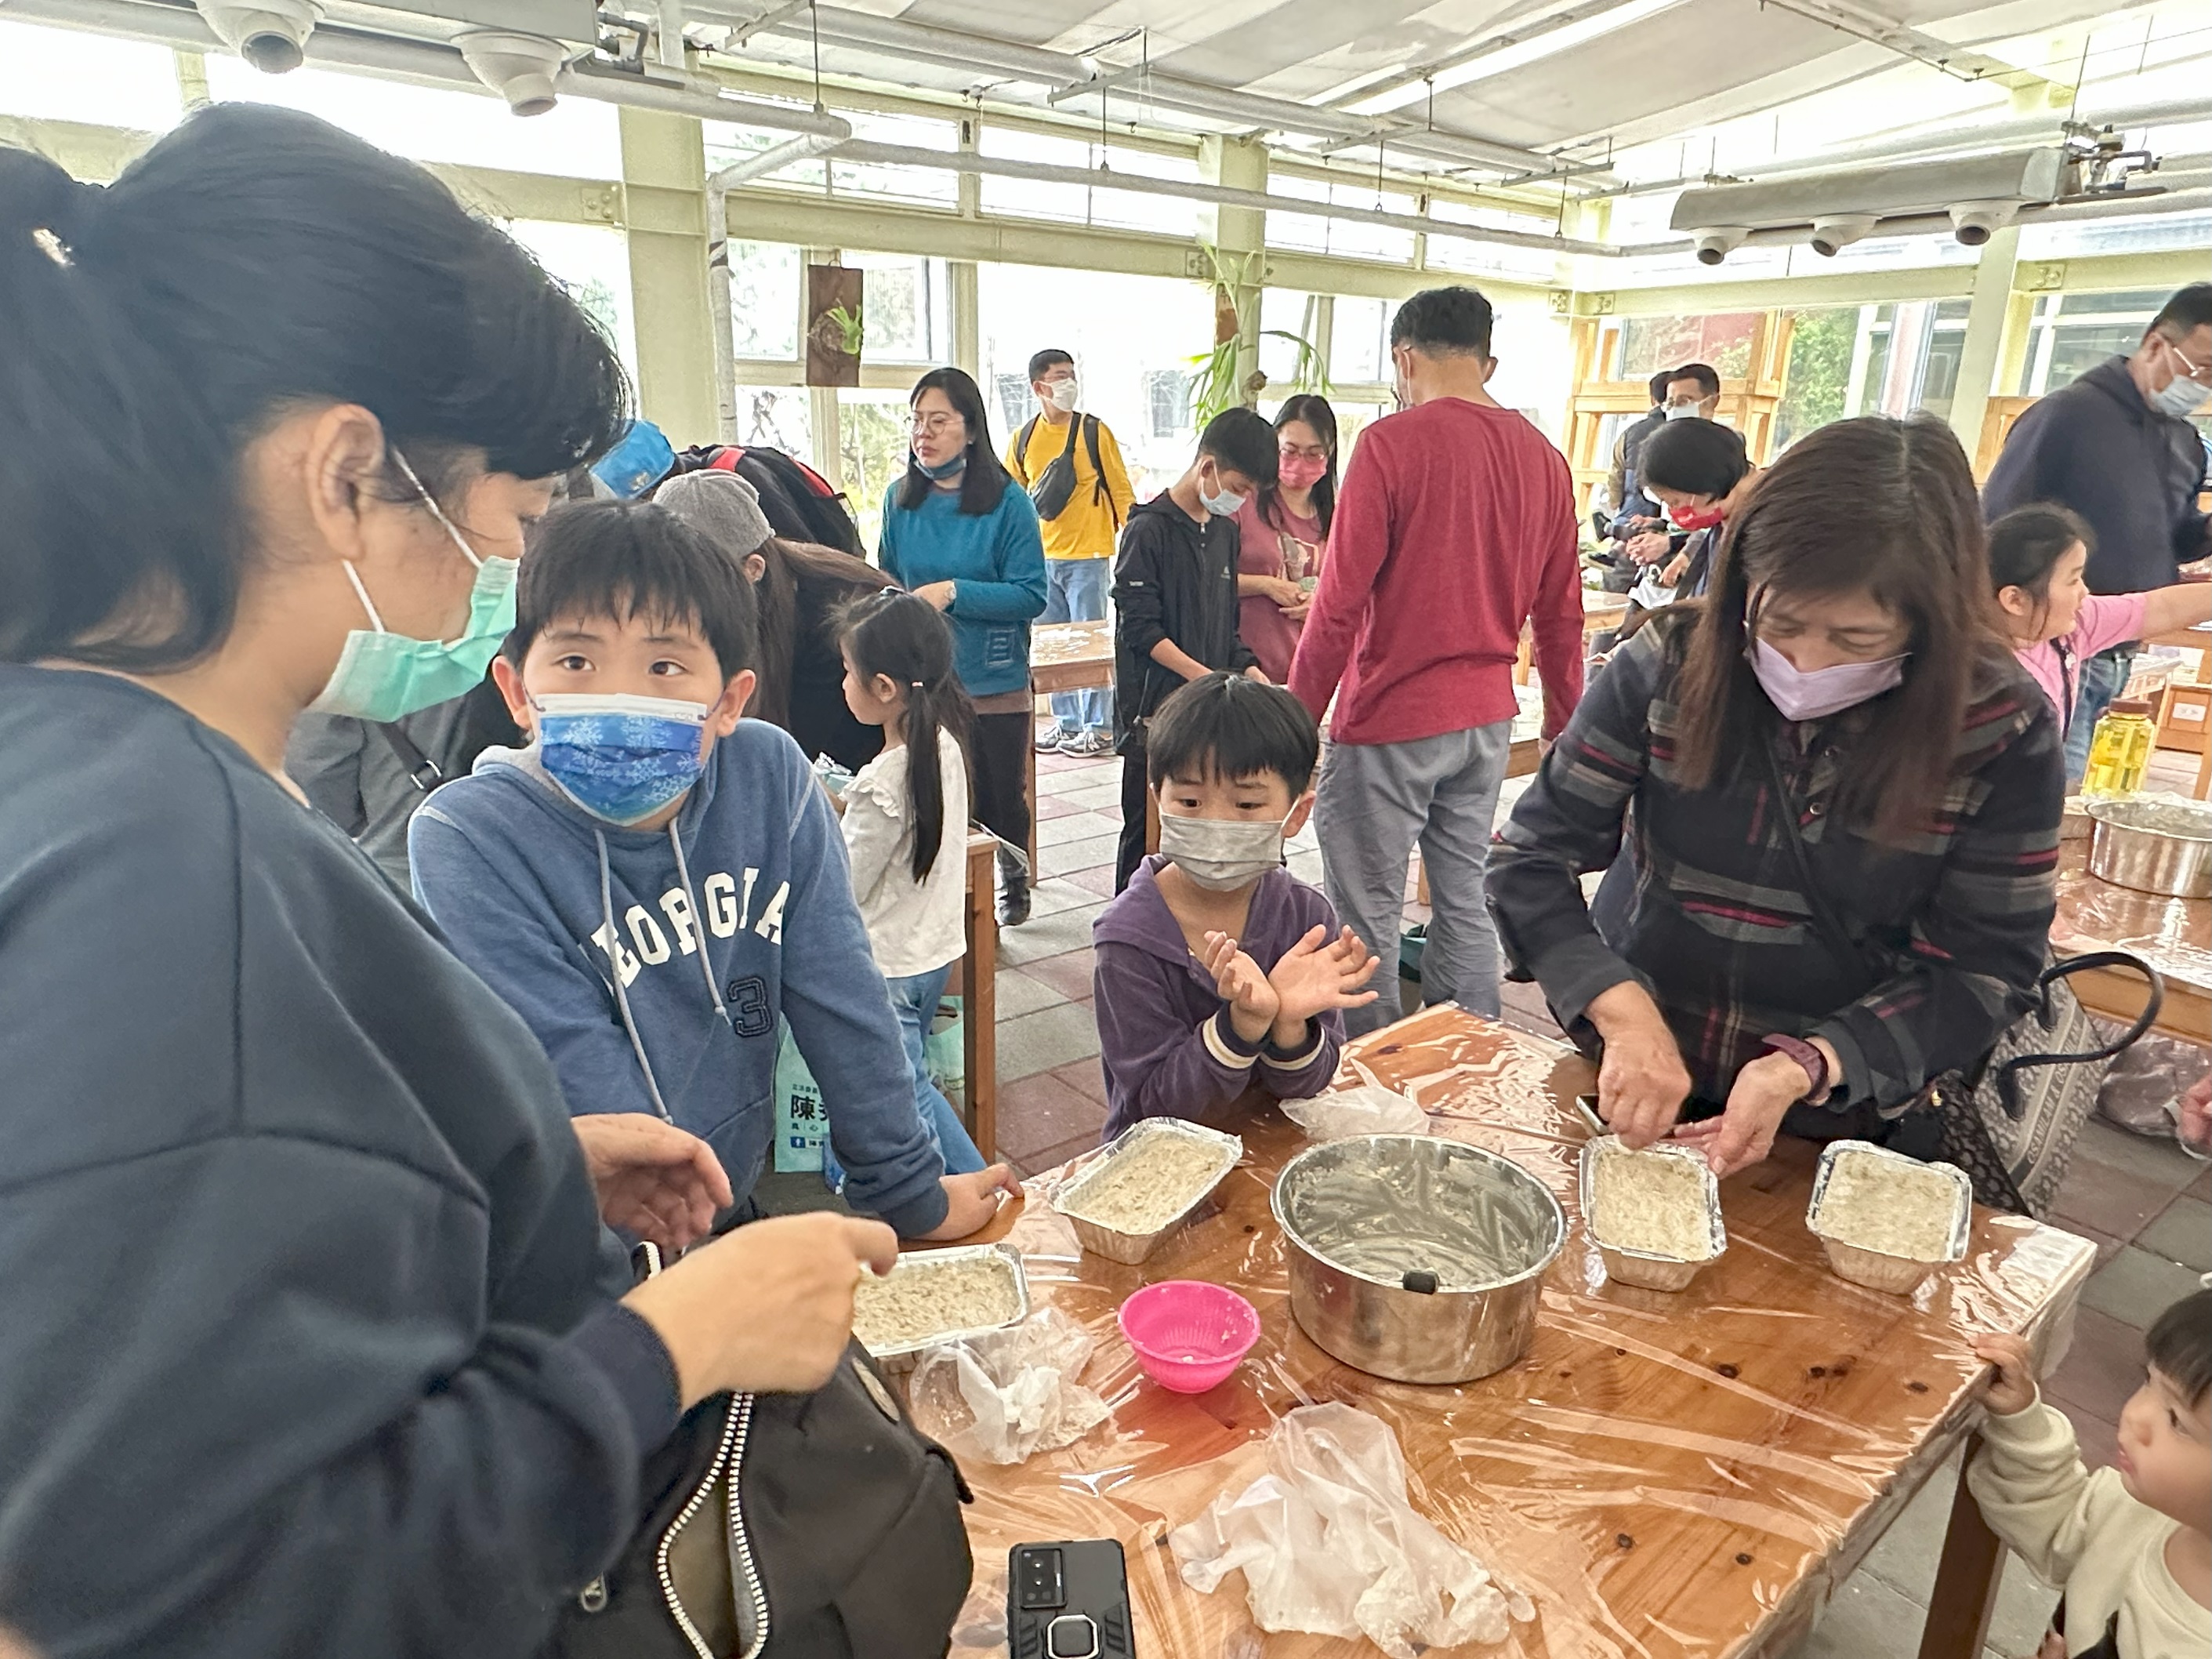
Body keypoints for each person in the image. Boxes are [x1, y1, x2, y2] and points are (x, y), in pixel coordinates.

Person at [0, 105, 909, 1657]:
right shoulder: (172, 873)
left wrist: (512, 1169)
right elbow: (202, 1593)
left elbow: (183, 1222)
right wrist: (665, 1345)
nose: (506, 555)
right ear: (346, 473)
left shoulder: (78, 758)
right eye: (515, 509)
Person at [408, 499, 1014, 1241]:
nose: (618, 697)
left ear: (729, 700)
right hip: (579, 1241)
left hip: (719, 1193)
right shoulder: (468, 836)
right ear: (516, 692)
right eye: (576, 662)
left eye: (664, 665)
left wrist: (910, 1190)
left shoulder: (767, 776)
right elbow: (569, 1058)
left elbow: (842, 995)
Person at [1489, 416, 2065, 1180]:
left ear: (1932, 620)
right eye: (1779, 622)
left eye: (1855, 640)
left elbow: (1983, 969)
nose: (1802, 662)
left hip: (1838, 1116)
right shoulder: (1671, 662)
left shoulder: (1995, 723)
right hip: (1636, 1072)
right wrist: (1618, 1010)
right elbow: (1529, 857)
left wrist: (1806, 1064)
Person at [1290, 285, 1584, 1033]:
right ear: (1486, 358)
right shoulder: (1545, 458)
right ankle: (1470, 1065)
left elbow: (1338, 601)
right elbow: (1561, 614)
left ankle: (1371, 1082)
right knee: (1461, 898)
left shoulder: (1392, 444)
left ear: (1403, 356)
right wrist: (1563, 725)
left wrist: (1292, 726)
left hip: (1391, 716)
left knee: (1368, 913)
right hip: (1485, 720)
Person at [1092, 673, 1380, 1138]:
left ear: (1296, 815)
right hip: (1161, 1166)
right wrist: (1240, 1026)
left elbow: (1309, 1083)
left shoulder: (1307, 918)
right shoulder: (1129, 938)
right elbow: (1154, 1110)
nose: (1216, 822)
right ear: (1157, 799)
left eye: (1246, 805)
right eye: (1189, 800)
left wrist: (1289, 1024)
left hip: (1269, 1148)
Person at [1983, 283, 2212, 779]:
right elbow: (1998, 528)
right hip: (2048, 641)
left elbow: (2175, 539)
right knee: (2043, 797)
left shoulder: (2186, 441)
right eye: (2205, 368)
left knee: (2089, 794)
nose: (2206, 387)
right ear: (2156, 346)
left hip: (2122, 643)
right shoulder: (2067, 415)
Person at [879, 367, 1049, 926]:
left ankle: (1013, 874)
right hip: (922, 682)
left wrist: (953, 593)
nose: (922, 434)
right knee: (934, 799)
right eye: (916, 422)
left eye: (938, 421)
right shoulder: (898, 501)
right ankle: (941, 902)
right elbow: (885, 577)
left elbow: (1031, 595)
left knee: (997, 798)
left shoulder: (1009, 504)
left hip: (991, 681)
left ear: (971, 429)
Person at [834, 588, 987, 1176]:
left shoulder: (883, 781)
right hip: (933, 949)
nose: (841, 685)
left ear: (884, 689)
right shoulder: (941, 744)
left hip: (888, 964)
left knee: (908, 1092)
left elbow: (845, 885)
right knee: (911, 1076)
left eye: (848, 672)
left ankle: (984, 1194)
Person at [1970, 1290, 2210, 1658]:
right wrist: (2021, 1420)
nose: (2136, 1415)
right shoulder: (2144, 1512)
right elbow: (2057, 1517)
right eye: (2147, 1380)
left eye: (2177, 1421)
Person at [1111, 407, 1278, 891]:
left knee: (1203, 828)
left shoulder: (1225, 531)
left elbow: (1227, 627)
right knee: (1146, 831)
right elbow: (1141, 632)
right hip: (1154, 714)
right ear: (1207, 467)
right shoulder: (1148, 530)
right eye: (1240, 487)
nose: (1242, 500)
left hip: (1209, 709)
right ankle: (1127, 926)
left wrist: (1247, 670)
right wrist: (1202, 677)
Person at [654, 468, 886, 772]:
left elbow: (787, 760)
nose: (680, 595)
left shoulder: (833, 613)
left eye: (695, 579)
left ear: (753, 569)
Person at [1006, 348, 1135, 758]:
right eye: (1059, 377)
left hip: (1089, 555)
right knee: (1052, 645)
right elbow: (1009, 495)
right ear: (1038, 387)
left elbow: (1120, 489)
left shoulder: (1094, 432)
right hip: (1041, 558)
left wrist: (1135, 540)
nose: (1068, 384)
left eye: (1071, 375)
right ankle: (1067, 724)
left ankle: (1099, 727)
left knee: (1091, 643)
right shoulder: (1024, 437)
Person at [1991, 504, 2212, 741]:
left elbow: (2161, 609)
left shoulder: (2071, 625)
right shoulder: (1979, 667)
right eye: (2072, 580)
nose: (2084, 591)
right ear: (2015, 600)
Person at [1234, 394, 1336, 684]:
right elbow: (1208, 579)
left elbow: (1347, 593)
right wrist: (1266, 585)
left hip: (1306, 672)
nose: (1299, 463)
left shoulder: (1337, 517)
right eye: (1290, 451)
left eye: (1313, 453)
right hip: (1245, 670)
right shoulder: (1244, 500)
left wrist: (1320, 603)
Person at [1624, 416, 1756, 614]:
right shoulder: (1724, 516)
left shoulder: (1770, 525)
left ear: (1699, 484)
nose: (1674, 511)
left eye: (1675, 502)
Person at [1604, 368, 1677, 534]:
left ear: (1652, 399)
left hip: (1631, 518)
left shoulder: (1630, 433)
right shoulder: (1685, 433)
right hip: (1671, 527)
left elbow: (1616, 475)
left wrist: (1615, 507)